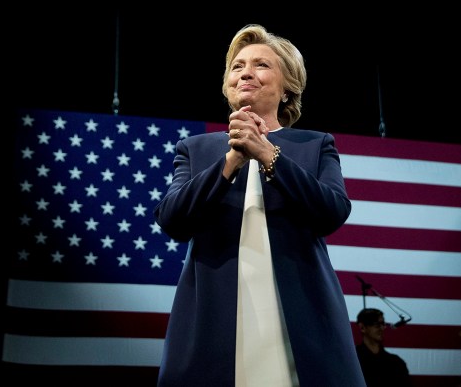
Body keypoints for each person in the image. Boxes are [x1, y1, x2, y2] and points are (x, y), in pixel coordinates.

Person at [154, 24, 366, 386]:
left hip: (300, 319)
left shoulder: (316, 145)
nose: (246, 72)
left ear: (288, 89)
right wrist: (231, 160)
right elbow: (173, 219)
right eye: (237, 67)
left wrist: (268, 154)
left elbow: (332, 211)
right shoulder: (196, 149)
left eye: (261, 65)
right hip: (216, 318)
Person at [355, 308, 413, 386]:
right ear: (362, 327)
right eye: (376, 324)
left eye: (383, 324)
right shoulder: (353, 360)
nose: (382, 328)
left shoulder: (396, 363)